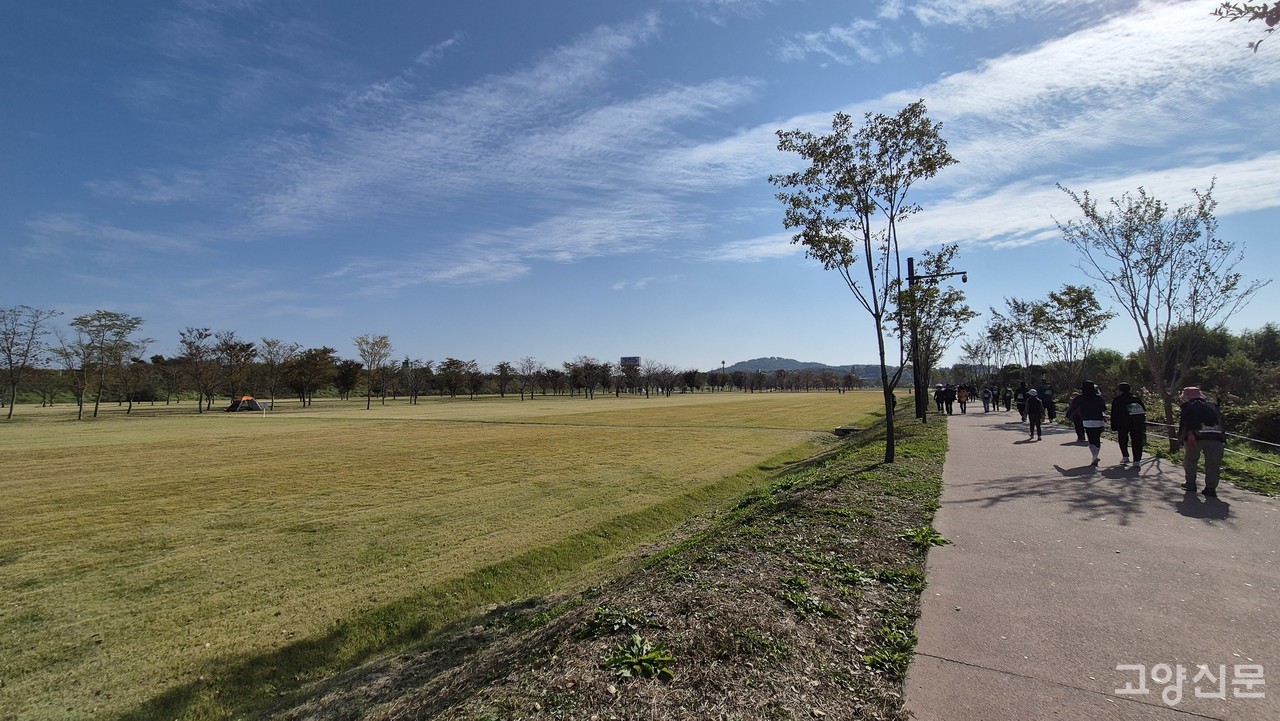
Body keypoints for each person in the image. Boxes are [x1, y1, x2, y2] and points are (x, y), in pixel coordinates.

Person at [1177, 387, 1226, 497]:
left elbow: (1185, 424)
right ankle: (1210, 488)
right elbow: (1221, 422)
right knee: (1213, 464)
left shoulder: (1188, 407)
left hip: (1194, 438)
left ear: (1187, 397)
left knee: (1191, 461)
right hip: (1216, 438)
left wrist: (1181, 439)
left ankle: (1190, 484)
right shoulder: (1213, 407)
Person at [1066, 380, 1107, 466]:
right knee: (1097, 439)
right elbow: (1104, 409)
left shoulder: (1079, 398)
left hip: (1087, 420)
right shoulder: (1098, 398)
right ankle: (1095, 455)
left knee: (1091, 439)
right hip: (1098, 420)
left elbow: (1072, 408)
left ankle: (1094, 456)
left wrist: (1068, 416)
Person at [1110, 382, 1147, 465]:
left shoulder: (1117, 400)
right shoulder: (1136, 399)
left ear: (1120, 390)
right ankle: (1137, 460)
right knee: (1137, 440)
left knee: (1123, 439)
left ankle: (1125, 456)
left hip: (1122, 423)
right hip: (1136, 423)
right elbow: (1142, 411)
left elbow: (1114, 413)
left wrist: (1113, 425)